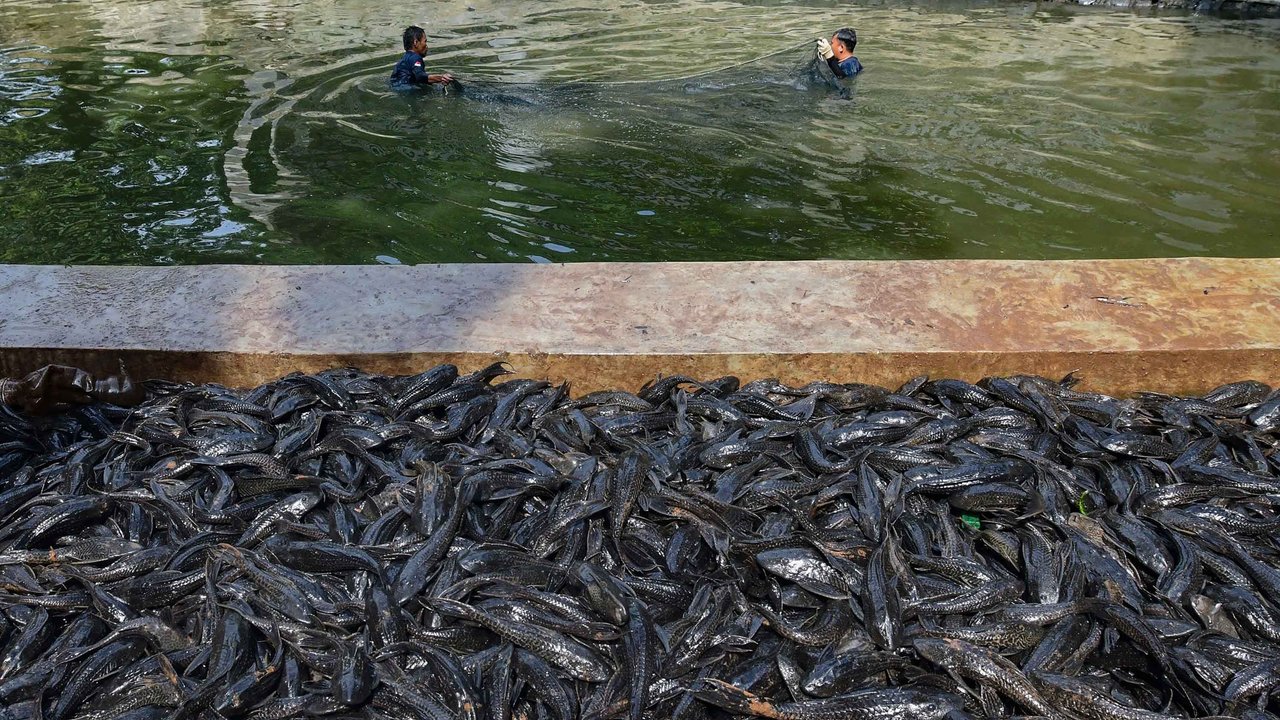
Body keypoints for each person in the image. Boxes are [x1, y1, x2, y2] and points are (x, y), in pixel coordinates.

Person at [391, 25, 455, 88]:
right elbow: (420, 76)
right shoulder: (415, 57)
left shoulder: (404, 59)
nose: (426, 46)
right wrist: (442, 78)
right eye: (425, 41)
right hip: (408, 90)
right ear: (416, 42)